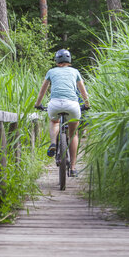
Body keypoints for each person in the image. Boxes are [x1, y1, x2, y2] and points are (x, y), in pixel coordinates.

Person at [34, 49, 90, 177]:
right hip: (72, 105)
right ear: (69, 60)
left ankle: (53, 142)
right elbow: (83, 92)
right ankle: (74, 168)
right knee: (73, 134)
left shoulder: (51, 72)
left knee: (54, 122)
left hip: (55, 104)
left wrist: (38, 104)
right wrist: (87, 105)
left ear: (57, 60)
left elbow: (42, 91)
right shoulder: (75, 72)